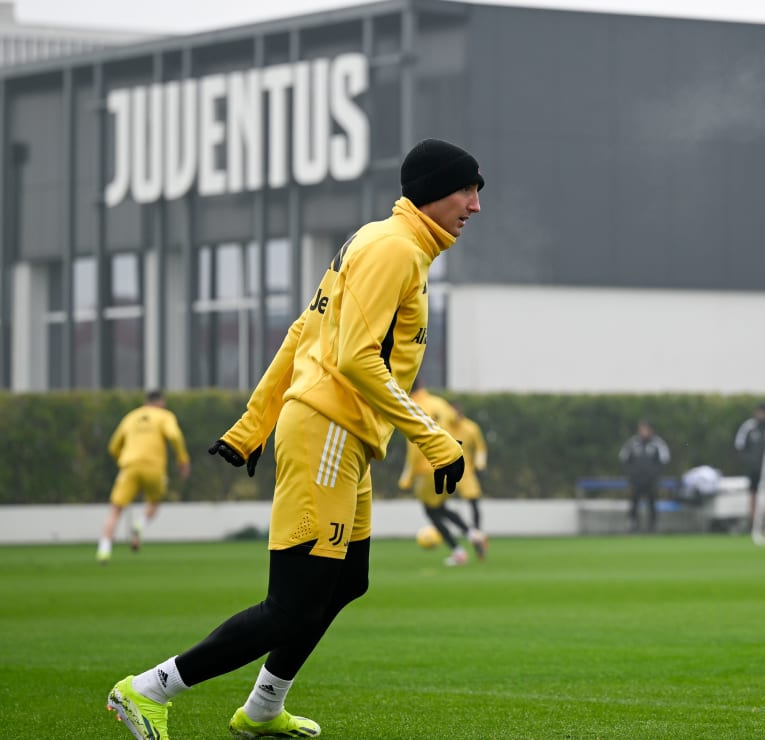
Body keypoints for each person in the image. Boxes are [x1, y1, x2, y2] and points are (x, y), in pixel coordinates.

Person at [106, 138, 483, 740]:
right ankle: (148, 689)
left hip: (343, 434)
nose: (475, 204)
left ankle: (260, 710)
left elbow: (302, 333)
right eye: (467, 190)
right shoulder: (394, 249)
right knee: (293, 604)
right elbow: (356, 359)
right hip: (330, 430)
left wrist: (255, 422)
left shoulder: (382, 241)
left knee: (346, 581)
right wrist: (432, 437)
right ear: (436, 190)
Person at [97, 390, 190, 563]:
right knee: (154, 503)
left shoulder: (130, 417)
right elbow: (174, 435)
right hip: (154, 468)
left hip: (129, 466)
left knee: (116, 509)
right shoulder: (164, 416)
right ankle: (139, 525)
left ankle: (104, 550)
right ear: (161, 402)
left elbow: (113, 446)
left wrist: (122, 460)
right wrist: (182, 460)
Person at [399, 388, 486, 565]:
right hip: (448, 465)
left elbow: (415, 448)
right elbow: (453, 419)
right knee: (441, 508)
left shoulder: (412, 406)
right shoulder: (439, 403)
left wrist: (408, 476)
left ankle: (458, 551)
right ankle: (472, 534)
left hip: (428, 468)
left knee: (431, 511)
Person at [619, 420, 671, 532]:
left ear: (651, 430)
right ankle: (633, 526)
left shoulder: (658, 443)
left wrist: (655, 474)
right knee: (634, 503)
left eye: (646, 429)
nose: (644, 432)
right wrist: (631, 474)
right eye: (642, 429)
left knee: (652, 503)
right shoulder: (632, 443)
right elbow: (624, 459)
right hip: (636, 480)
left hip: (651, 481)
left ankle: (652, 526)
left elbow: (664, 460)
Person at [447, 401, 489, 538]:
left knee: (473, 500)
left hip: (465, 471)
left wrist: (480, 465)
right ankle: (466, 532)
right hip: (443, 469)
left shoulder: (471, 427)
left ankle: (477, 531)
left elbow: (480, 448)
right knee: (437, 505)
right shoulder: (443, 426)